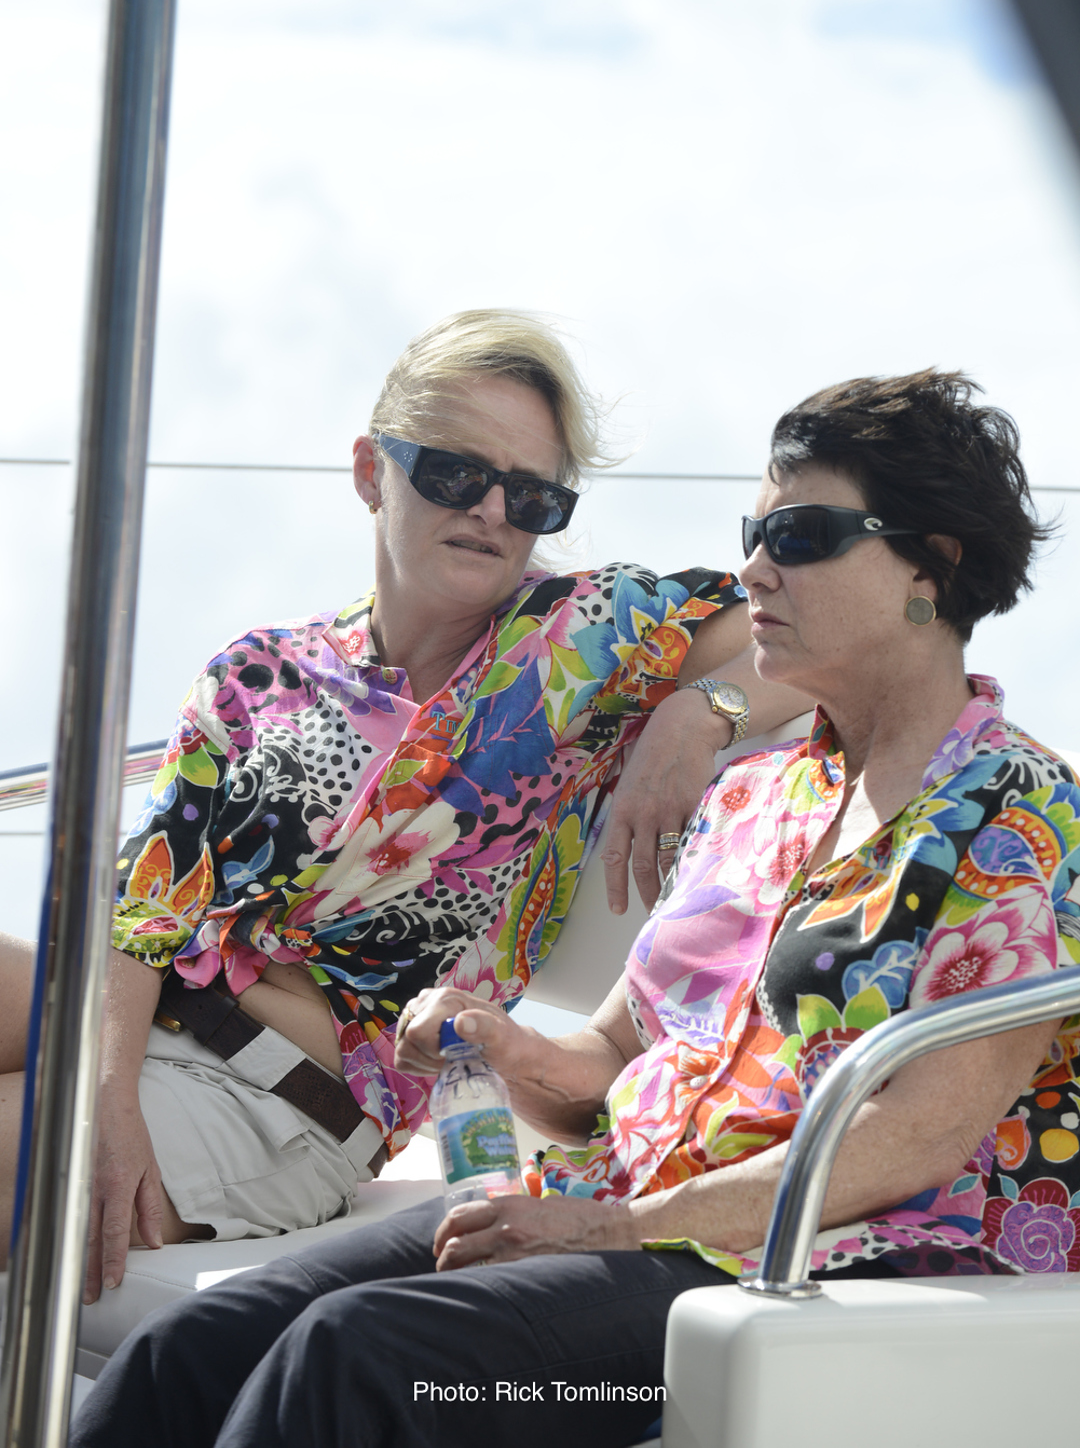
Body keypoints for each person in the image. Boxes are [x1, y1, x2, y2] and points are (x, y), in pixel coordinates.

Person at [73, 366, 1080, 1448]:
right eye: (754, 535)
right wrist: (506, 1048)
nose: (754, 568)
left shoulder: (1020, 813)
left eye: (799, 536)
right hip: (621, 1209)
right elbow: (611, 1061)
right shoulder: (755, 800)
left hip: (824, 1282)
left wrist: (621, 1225)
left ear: (932, 564)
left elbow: (914, 1140)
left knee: (360, 1359)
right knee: (196, 1345)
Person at [0, 310, 807, 1302]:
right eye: (456, 473)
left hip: (280, 1099)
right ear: (371, 470)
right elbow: (144, 907)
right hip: (131, 1010)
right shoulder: (260, 669)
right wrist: (103, 1093)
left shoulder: (591, 637)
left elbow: (811, 636)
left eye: (533, 495)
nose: (493, 511)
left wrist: (701, 709)